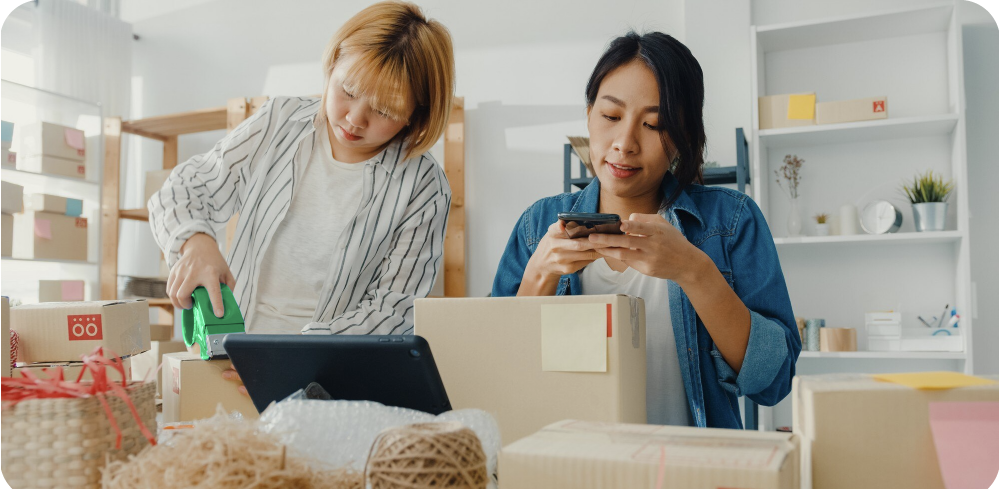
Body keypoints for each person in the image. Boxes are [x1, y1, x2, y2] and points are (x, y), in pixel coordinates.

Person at [491, 31, 800, 429]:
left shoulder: (732, 222)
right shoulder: (538, 224)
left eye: (653, 124)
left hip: (691, 478)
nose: (624, 143)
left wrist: (696, 272)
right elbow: (499, 377)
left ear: (683, 137)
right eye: (611, 116)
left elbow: (773, 382)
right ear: (588, 115)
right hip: (573, 473)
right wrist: (538, 276)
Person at [150, 2, 454, 347]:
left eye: (384, 110)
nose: (355, 119)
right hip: (229, 351)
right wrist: (196, 243)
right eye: (348, 91)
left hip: (328, 375)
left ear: (417, 114)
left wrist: (293, 356)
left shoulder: (423, 186)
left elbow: (393, 312)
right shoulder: (279, 120)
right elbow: (184, 188)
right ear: (334, 62)